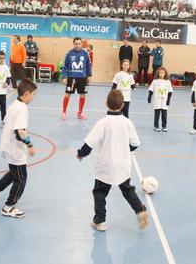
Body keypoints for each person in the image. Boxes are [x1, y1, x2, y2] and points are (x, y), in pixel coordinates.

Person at [76, 89, 149, 232]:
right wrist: (124, 150)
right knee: (128, 190)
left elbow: (89, 144)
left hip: (105, 166)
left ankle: (100, 221)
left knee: (100, 193)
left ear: (106, 103)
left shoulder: (102, 123)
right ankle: (140, 210)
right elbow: (135, 144)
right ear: (122, 106)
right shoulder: (127, 123)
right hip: (122, 165)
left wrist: (81, 154)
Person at [0, 80, 37, 218]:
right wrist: (30, 145)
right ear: (26, 94)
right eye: (33, 94)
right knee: (21, 179)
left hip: (7, 145)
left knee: (14, 173)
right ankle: (8, 207)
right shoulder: (22, 108)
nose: (33, 97)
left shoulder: (15, 104)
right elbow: (19, 131)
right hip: (15, 149)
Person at [61, 37, 92, 120]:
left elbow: (88, 65)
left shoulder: (85, 53)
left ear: (81, 44)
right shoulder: (69, 53)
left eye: (79, 44)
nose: (78, 45)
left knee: (83, 95)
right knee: (68, 94)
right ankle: (64, 112)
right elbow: (64, 66)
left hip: (82, 77)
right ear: (73, 44)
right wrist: (64, 77)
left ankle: (80, 112)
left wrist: (89, 75)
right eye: (76, 44)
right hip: (72, 77)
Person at [148, 67, 173, 132]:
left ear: (165, 74)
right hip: (157, 101)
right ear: (158, 73)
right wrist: (149, 97)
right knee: (157, 114)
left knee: (164, 115)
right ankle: (156, 126)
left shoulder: (168, 82)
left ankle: (164, 126)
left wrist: (168, 100)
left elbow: (170, 92)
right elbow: (151, 90)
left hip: (164, 101)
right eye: (160, 73)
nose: (161, 74)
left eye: (163, 73)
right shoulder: (155, 81)